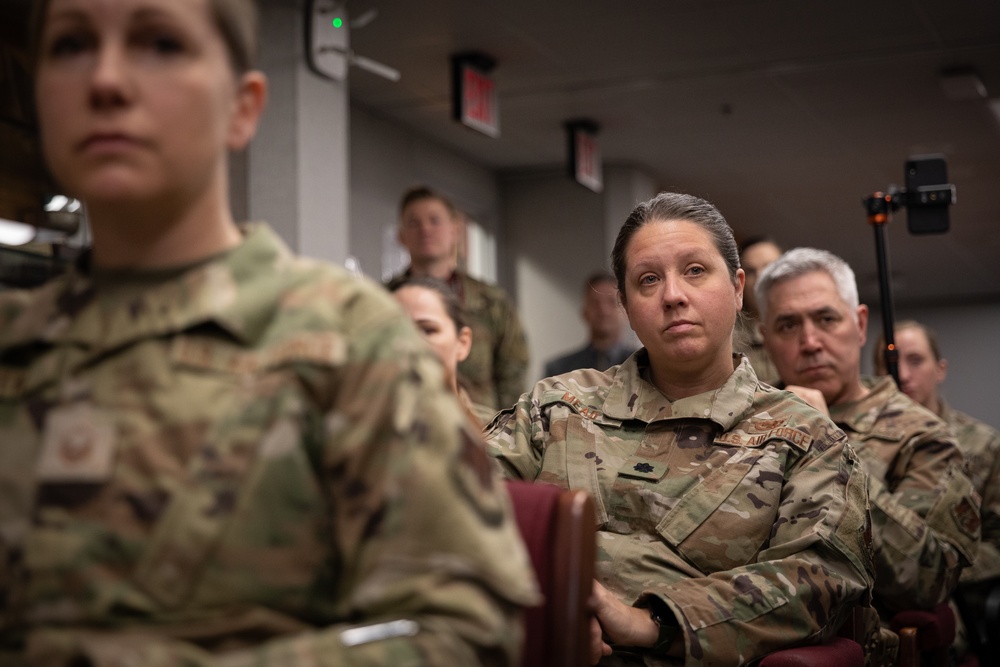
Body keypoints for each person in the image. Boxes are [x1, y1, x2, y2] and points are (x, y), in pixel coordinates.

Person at [0, 1, 538, 665]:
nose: (105, 80)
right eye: (71, 44)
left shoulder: (347, 336)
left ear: (243, 108)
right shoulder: (15, 343)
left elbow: (466, 631)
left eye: (161, 43)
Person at [486, 193, 874, 666]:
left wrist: (650, 622)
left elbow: (817, 579)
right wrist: (546, 609)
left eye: (694, 270)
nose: (673, 295)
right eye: (648, 280)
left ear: (736, 288)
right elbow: (462, 505)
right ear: (626, 306)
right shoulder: (555, 405)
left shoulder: (805, 436)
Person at [756, 248, 981, 662]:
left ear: (859, 325)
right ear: (766, 339)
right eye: (788, 325)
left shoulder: (922, 436)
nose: (809, 342)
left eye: (826, 319)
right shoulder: (746, 423)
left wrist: (831, 444)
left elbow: (929, 578)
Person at [873, 320, 1000, 664]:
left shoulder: (983, 444)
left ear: (940, 369)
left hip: (955, 598)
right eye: (892, 363)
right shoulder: (860, 441)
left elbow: (997, 542)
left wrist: (944, 565)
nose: (904, 374)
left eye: (917, 360)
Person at [387, 186, 529, 410]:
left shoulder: (491, 301)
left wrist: (505, 429)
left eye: (435, 220)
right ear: (401, 236)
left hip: (479, 427)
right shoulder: (382, 300)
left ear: (455, 230)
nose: (425, 229)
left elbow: (512, 372)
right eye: (414, 222)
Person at [391, 275, 497, 427]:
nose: (411, 343)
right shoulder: (358, 434)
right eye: (396, 330)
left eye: (428, 330)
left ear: (463, 343)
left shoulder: (495, 433)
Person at [542, 271, 637, 378]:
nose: (603, 310)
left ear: (626, 311)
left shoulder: (644, 366)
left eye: (611, 302)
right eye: (595, 303)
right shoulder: (559, 371)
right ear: (584, 312)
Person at [733, 237, 782, 385]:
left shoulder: (809, 331)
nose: (761, 278)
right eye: (751, 272)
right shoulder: (730, 341)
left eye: (770, 268)